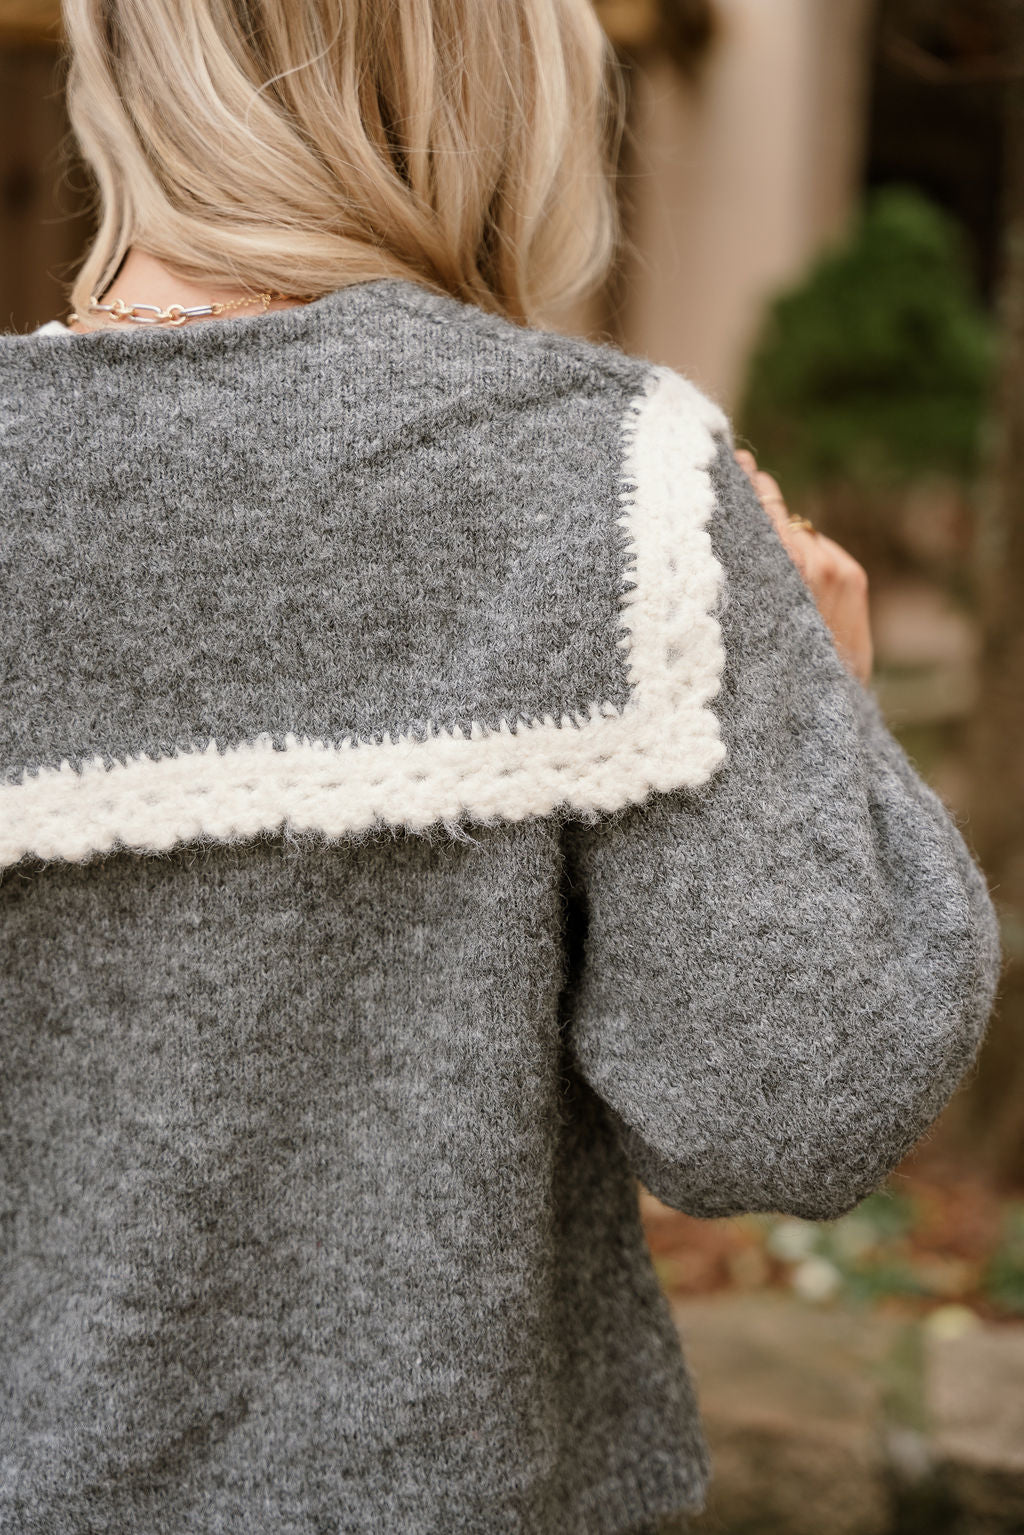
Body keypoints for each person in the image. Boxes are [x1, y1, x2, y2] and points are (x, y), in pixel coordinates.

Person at [0, 2, 998, 1532]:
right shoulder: (609, 485)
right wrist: (829, 731)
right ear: (503, 66)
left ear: (124, 63)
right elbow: (785, 1106)